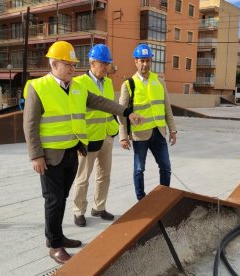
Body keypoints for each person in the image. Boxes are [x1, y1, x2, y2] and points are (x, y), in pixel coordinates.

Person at [23, 41, 143, 264]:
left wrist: (127, 112)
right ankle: (55, 245)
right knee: (53, 200)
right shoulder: (38, 87)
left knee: (62, 198)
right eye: (67, 64)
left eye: (73, 64)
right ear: (54, 63)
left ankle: (57, 237)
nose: (71, 68)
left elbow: (101, 102)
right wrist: (35, 155)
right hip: (49, 156)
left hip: (72, 152)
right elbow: (30, 125)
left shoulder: (77, 88)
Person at [118, 43, 177, 201]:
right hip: (140, 134)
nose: (145, 64)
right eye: (141, 60)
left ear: (151, 61)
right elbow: (122, 113)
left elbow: (167, 108)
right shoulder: (128, 85)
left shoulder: (159, 81)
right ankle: (141, 199)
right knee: (139, 169)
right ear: (135, 61)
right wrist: (123, 136)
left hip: (159, 132)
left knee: (165, 166)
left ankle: (165, 196)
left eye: (147, 60)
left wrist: (173, 130)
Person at [72, 44, 117, 227]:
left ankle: (99, 207)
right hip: (88, 139)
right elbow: (76, 113)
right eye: (103, 63)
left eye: (108, 63)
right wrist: (79, 139)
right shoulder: (80, 83)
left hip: (106, 135)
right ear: (92, 63)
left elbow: (111, 108)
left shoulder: (108, 83)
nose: (106, 67)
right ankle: (78, 211)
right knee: (83, 177)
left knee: (104, 175)